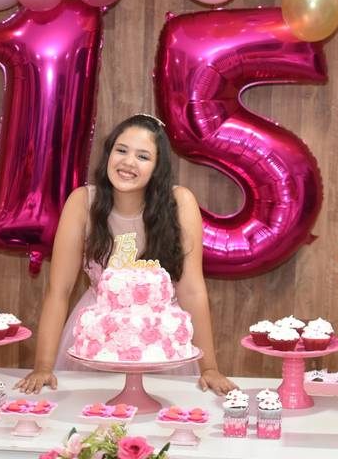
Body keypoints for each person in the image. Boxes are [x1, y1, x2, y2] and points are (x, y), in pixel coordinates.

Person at [15, 114, 237, 396]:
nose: (128, 162)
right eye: (121, 150)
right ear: (109, 154)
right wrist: (43, 366)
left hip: (159, 339)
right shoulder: (82, 202)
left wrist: (210, 368)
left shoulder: (180, 202)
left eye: (143, 156)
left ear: (157, 167)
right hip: (99, 337)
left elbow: (192, 290)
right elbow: (59, 290)